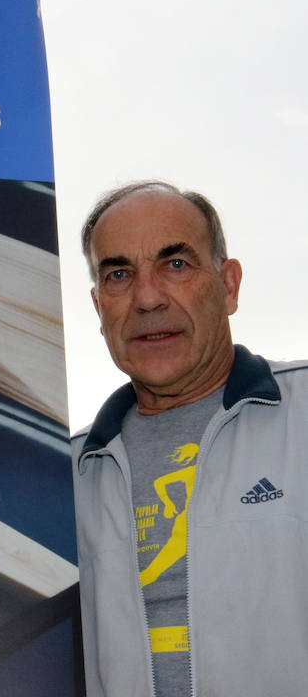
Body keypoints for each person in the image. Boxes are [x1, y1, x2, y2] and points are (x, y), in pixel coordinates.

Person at [71, 180, 308, 697]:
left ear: (229, 285)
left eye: (175, 264)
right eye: (118, 274)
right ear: (98, 307)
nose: (147, 298)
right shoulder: (68, 471)